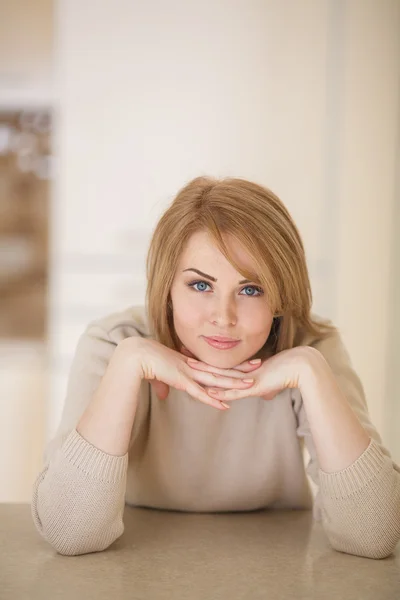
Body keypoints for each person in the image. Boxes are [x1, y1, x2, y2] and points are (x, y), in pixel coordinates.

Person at [31, 176, 400, 559]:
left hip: (275, 564)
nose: (223, 318)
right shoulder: (114, 344)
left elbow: (372, 536)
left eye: (251, 290)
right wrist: (126, 367)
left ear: (280, 297)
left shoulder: (311, 349)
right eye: (201, 286)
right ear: (167, 287)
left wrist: (310, 371)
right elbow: (70, 533)